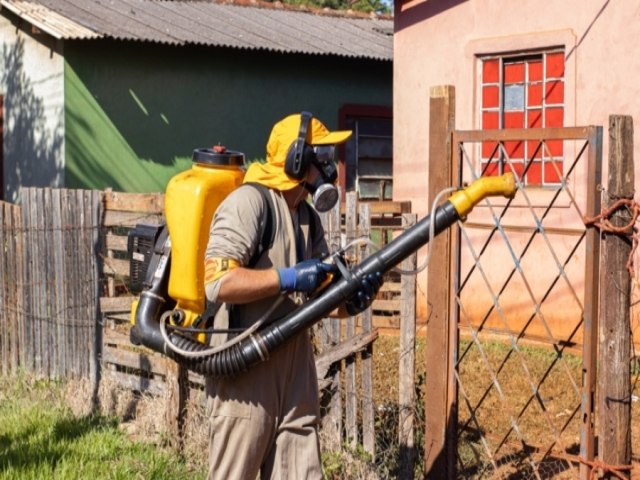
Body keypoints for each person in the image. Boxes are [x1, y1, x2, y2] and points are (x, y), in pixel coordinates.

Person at [203, 112, 383, 479]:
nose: (330, 168)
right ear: (298, 158)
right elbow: (217, 282)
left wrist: (352, 299)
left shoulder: (306, 216)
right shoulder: (250, 204)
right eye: (323, 158)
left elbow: (317, 296)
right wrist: (285, 278)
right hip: (246, 366)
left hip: (296, 363)